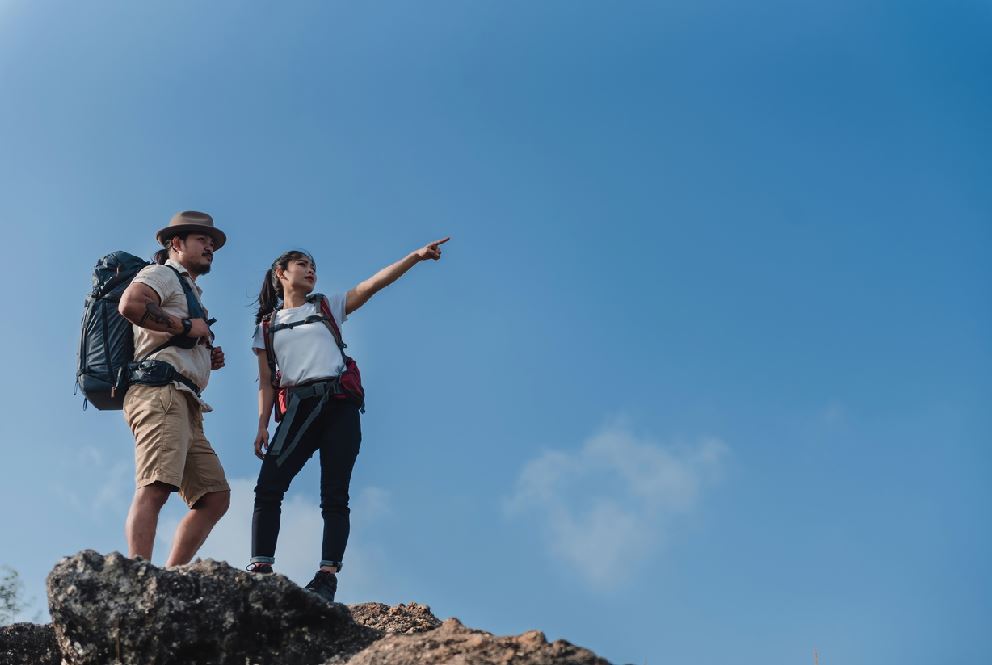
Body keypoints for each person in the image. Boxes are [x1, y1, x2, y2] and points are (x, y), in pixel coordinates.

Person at [248, 237, 450, 602]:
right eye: (302, 265)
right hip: (299, 407)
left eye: (313, 267)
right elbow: (266, 382)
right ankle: (261, 568)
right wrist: (262, 425)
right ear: (281, 274)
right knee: (268, 488)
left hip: (340, 404)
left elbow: (373, 285)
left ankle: (326, 577)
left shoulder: (328, 306)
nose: (311, 271)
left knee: (334, 495)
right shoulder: (266, 327)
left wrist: (415, 257)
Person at [117, 211, 231, 566]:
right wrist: (185, 327)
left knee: (214, 496)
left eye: (212, 242)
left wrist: (202, 353)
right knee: (155, 485)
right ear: (176, 244)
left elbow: (173, 334)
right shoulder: (161, 274)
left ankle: (170, 579)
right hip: (160, 392)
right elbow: (131, 305)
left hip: (185, 399)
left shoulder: (189, 289)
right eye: (202, 240)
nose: (210, 246)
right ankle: (139, 578)